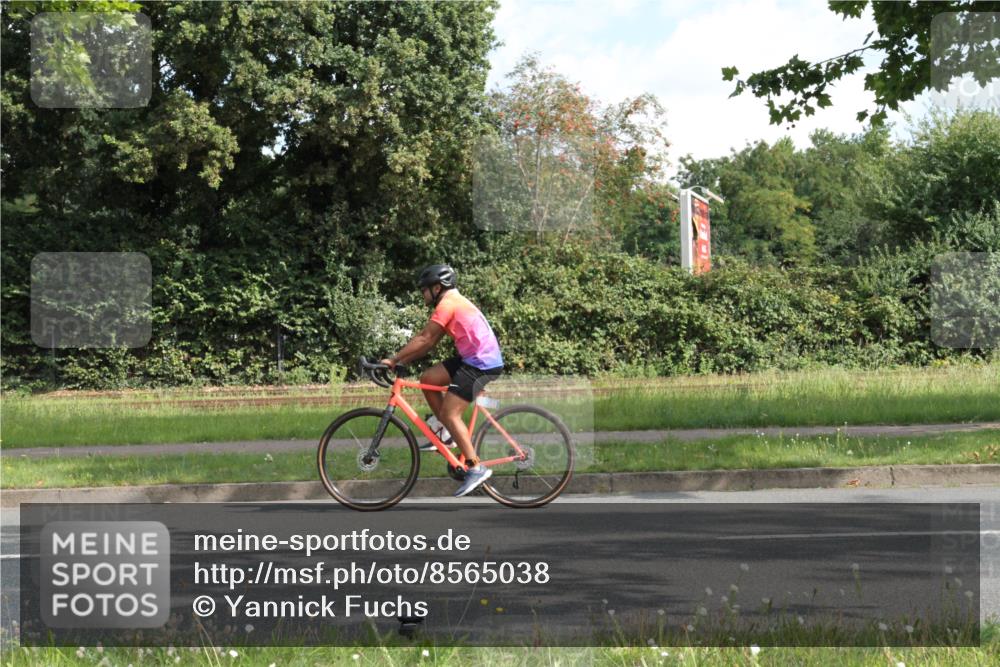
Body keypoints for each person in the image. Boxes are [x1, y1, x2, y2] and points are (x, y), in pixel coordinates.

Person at [380, 264, 504, 497]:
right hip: (473, 358)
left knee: (450, 412)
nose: (423, 294)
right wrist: (403, 360)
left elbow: (426, 339)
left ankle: (476, 467)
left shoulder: (448, 304)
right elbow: (430, 342)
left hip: (480, 363)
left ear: (438, 287)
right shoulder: (451, 301)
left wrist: (395, 359)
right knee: (429, 378)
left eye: (425, 290)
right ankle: (446, 434)